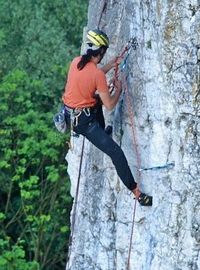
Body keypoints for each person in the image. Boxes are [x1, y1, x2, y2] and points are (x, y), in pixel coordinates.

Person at [62, 29, 152, 207]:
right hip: (85, 124)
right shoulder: (98, 75)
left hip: (73, 112)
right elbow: (110, 105)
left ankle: (103, 132)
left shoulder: (76, 62)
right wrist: (118, 90)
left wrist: (110, 66)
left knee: (96, 101)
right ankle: (137, 193)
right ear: (101, 51)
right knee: (116, 153)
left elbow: (91, 78)